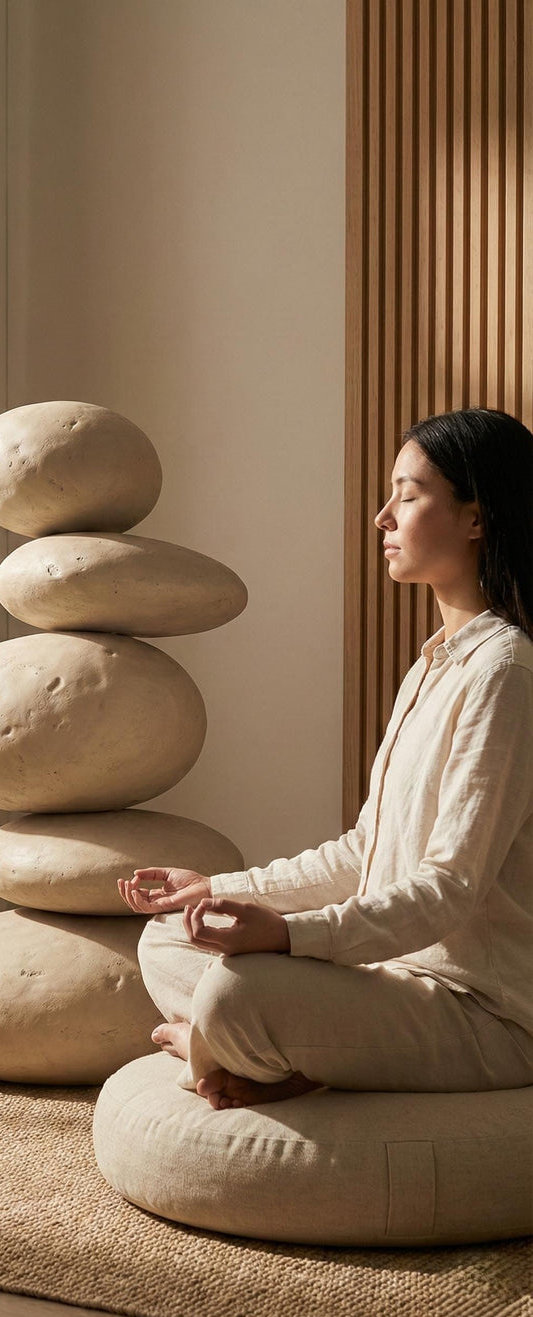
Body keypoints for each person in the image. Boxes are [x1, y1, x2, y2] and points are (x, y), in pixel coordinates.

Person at [118, 407, 533, 1111]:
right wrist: (216, 889)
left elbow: (450, 888)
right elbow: (363, 852)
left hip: (480, 1012)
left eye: (407, 495)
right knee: (168, 937)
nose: (382, 517)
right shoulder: (434, 666)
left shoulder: (505, 671)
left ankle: (218, 1047)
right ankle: (247, 1053)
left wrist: (289, 936)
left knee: (239, 989)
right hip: (390, 979)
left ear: (476, 517)